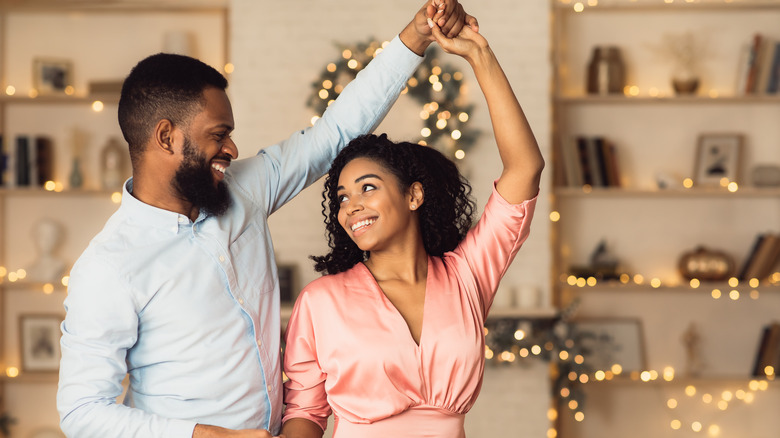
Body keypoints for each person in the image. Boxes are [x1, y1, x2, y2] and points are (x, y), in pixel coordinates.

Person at [56, 2, 476, 438]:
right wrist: (208, 437)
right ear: (167, 137)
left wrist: (415, 37)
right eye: (218, 135)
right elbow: (83, 411)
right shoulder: (108, 267)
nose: (233, 150)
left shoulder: (245, 190)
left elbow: (333, 134)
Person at [281, 19, 544, 438]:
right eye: (343, 197)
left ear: (413, 196)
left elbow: (525, 168)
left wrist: (480, 55)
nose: (352, 207)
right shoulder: (321, 301)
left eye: (368, 188)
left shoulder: (467, 277)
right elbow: (304, 412)